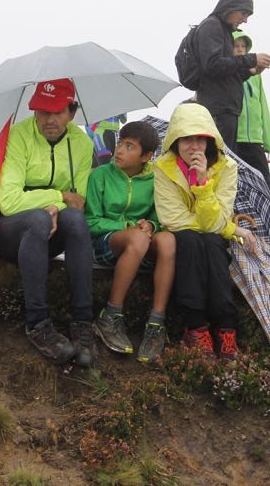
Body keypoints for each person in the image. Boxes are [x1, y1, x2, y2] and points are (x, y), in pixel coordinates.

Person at [0, 79, 97, 367]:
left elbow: (80, 202)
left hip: (51, 231)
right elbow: (9, 202)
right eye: (42, 112)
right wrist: (58, 196)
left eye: (57, 112)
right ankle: (37, 323)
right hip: (9, 232)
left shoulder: (82, 144)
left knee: (74, 220)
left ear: (72, 113)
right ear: (33, 112)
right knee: (37, 218)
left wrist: (58, 207)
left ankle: (83, 323)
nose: (49, 120)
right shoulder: (18, 136)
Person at [154, 102, 258, 359]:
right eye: (187, 138)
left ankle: (226, 328)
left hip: (210, 236)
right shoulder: (163, 167)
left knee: (211, 243)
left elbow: (214, 224)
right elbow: (172, 219)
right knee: (191, 240)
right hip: (185, 239)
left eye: (201, 139)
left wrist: (202, 184)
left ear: (211, 141)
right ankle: (196, 326)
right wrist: (230, 228)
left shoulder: (227, 168)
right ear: (175, 139)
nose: (194, 146)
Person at [85, 120, 176, 363]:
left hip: (143, 244)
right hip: (108, 243)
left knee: (167, 241)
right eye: (120, 143)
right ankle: (111, 315)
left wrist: (152, 225)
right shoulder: (100, 175)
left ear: (146, 156)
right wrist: (126, 227)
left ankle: (156, 322)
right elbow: (91, 221)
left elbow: (162, 219)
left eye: (129, 146)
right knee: (136, 237)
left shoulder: (157, 180)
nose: (119, 151)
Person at [193, 0, 270, 153]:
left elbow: (223, 73)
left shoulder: (223, 30)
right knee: (218, 164)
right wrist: (252, 59)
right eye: (244, 14)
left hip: (225, 109)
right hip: (218, 110)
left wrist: (249, 72)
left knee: (223, 164)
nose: (245, 20)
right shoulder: (212, 26)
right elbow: (213, 64)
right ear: (231, 7)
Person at [231, 31, 270, 191]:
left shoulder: (256, 75)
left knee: (264, 181)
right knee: (236, 181)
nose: (240, 49)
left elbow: (262, 104)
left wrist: (267, 138)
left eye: (243, 46)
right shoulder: (227, 73)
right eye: (236, 46)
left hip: (254, 140)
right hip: (234, 138)